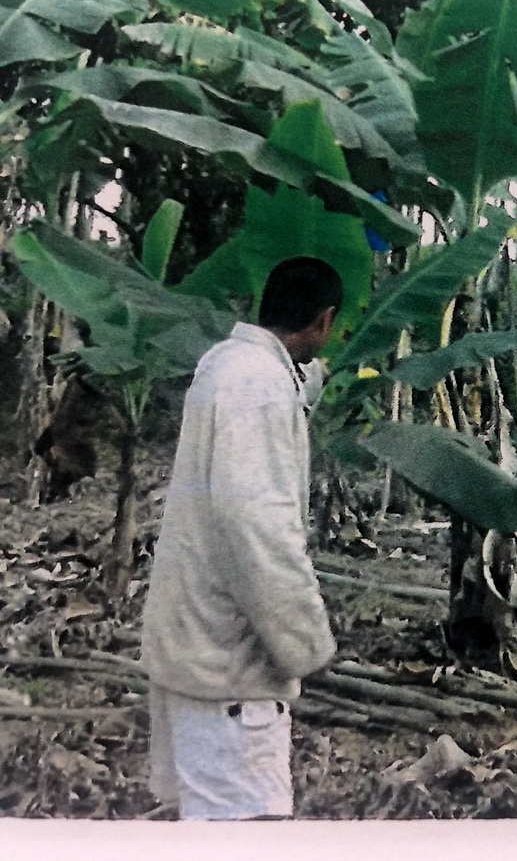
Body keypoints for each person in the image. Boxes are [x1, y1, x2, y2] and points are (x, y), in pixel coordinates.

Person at [141, 256, 342, 820]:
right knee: (246, 831)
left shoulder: (225, 365)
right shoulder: (257, 384)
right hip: (227, 669)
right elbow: (258, 528)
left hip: (193, 644)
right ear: (323, 321)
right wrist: (307, 644)